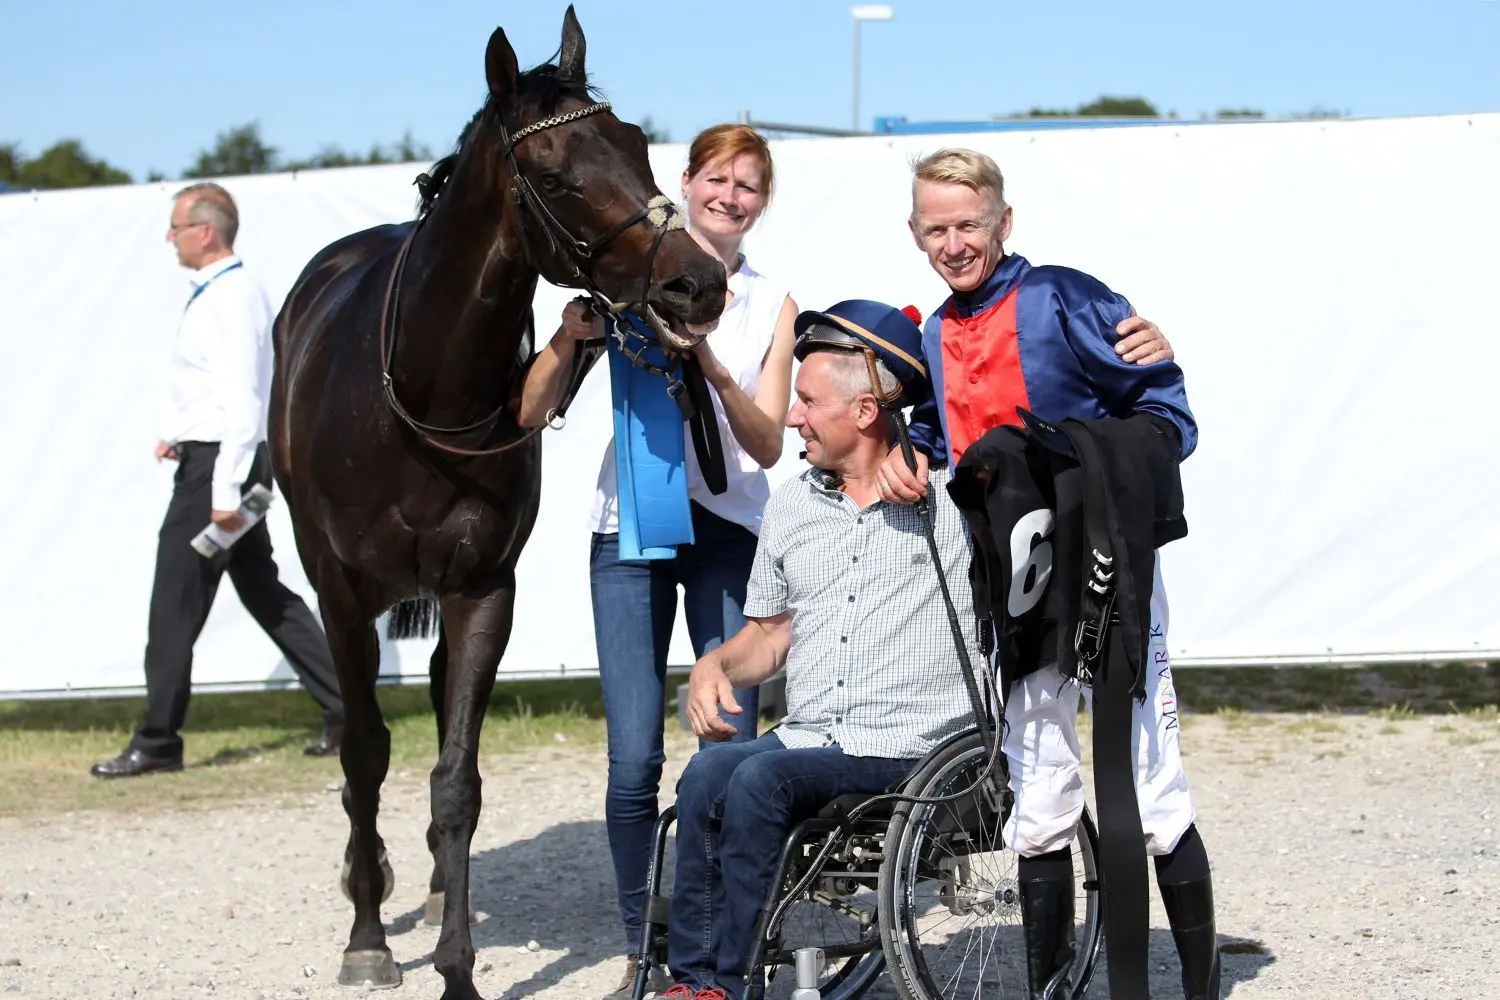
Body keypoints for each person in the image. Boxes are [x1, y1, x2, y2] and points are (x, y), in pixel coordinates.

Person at [878, 148, 1218, 999]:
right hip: (1018, 584)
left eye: (969, 225)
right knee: (1037, 786)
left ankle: (1201, 984)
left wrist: (1079, 459)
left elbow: (1170, 418)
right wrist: (906, 459)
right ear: (914, 234)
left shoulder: (1064, 296)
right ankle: (1051, 989)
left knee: (1150, 778)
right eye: (936, 229)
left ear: (1004, 222)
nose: (954, 243)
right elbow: (942, 441)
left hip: (1109, 572)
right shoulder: (930, 332)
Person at [516, 124, 798, 997]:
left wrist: (707, 356)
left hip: (730, 532)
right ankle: (643, 931)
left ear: (763, 201)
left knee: (733, 748)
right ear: (686, 183)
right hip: (629, 529)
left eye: (747, 186)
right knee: (635, 755)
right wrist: (568, 338)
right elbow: (527, 414)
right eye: (717, 179)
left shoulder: (775, 302)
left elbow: (768, 442)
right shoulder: (623, 279)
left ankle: (728, 940)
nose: (730, 197)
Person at [654, 300, 980, 1000]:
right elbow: (769, 635)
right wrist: (713, 665)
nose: (792, 417)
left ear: (865, 411)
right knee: (708, 775)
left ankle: (732, 982)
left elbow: (997, 425)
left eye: (806, 401)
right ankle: (695, 982)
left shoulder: (951, 499)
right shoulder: (792, 505)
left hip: (913, 741)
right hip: (815, 734)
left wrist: (925, 446)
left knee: (759, 782)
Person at [90, 183, 344, 780]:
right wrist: (179, 432)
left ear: (205, 231)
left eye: (176, 228)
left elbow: (243, 398)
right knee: (265, 592)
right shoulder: (223, 294)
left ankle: (157, 739)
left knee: (174, 603)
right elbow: (218, 392)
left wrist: (223, 494)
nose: (170, 239)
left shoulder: (230, 298)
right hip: (220, 462)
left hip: (218, 476)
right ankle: (346, 707)